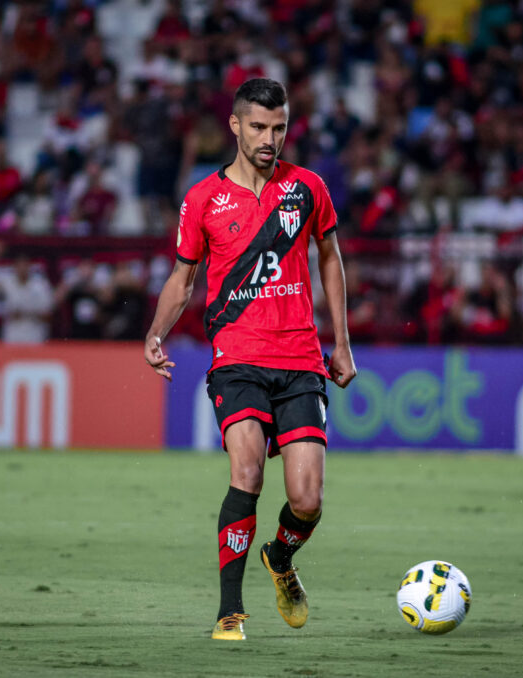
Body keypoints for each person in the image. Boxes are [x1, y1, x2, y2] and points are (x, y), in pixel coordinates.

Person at [143, 78, 356, 641]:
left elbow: (330, 258)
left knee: (306, 500)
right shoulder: (202, 198)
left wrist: (342, 342)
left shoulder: (307, 187)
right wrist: (156, 333)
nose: (270, 138)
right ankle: (229, 611)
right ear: (235, 125)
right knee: (248, 473)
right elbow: (183, 278)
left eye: (280, 127)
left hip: (302, 359)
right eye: (259, 127)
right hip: (236, 357)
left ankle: (280, 559)